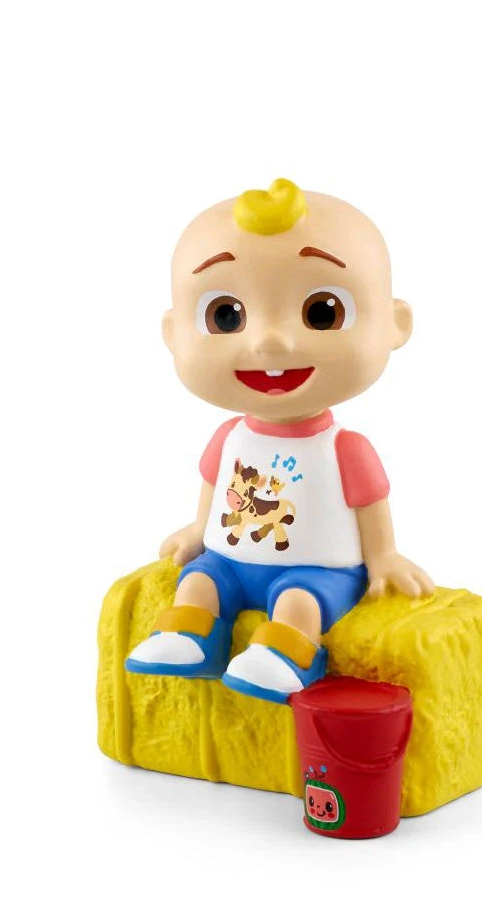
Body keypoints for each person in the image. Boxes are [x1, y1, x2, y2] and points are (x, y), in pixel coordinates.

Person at [125, 178, 433, 702]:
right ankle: (189, 639)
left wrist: (384, 559)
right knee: (197, 583)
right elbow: (213, 489)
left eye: (321, 312)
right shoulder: (230, 436)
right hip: (227, 560)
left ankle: (285, 656)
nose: (269, 341)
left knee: (298, 603)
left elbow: (370, 506)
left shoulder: (343, 449)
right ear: (174, 333)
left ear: (394, 324)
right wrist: (198, 529)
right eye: (226, 316)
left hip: (317, 571)